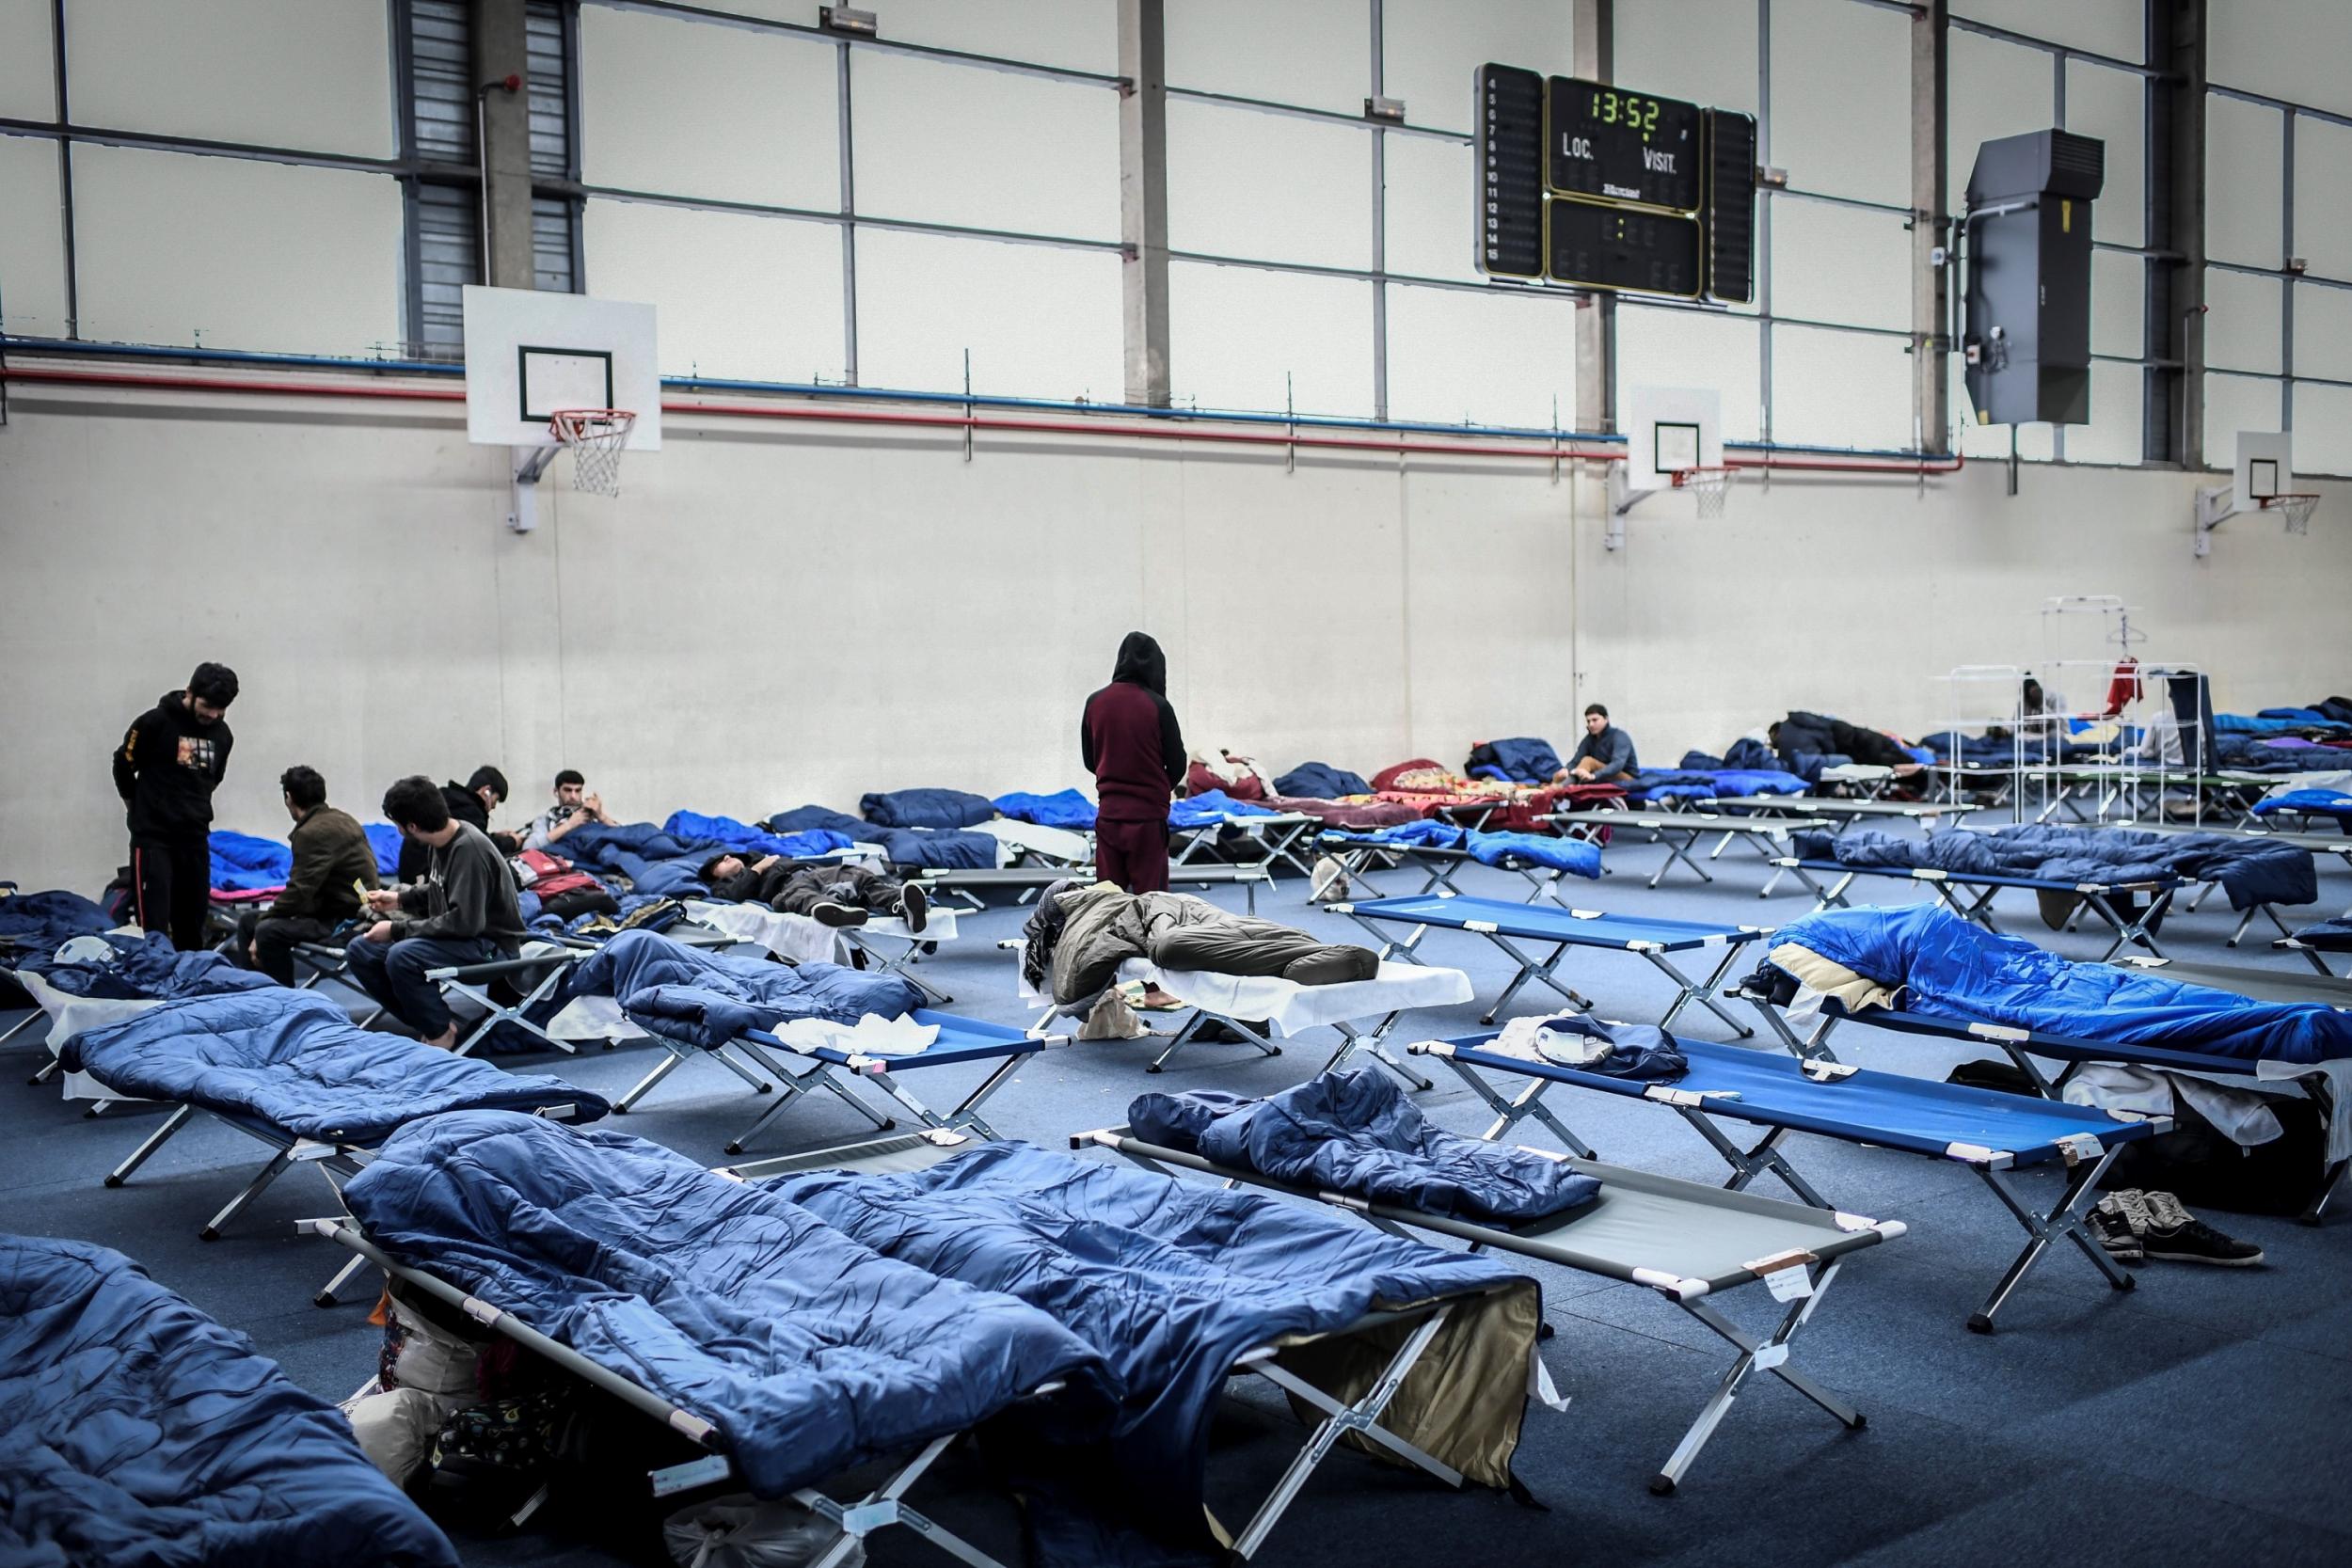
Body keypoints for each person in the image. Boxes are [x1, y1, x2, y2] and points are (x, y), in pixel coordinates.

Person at [349, 775, 529, 1049]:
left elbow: (464, 923)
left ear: (412, 826)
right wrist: (398, 899)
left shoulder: (469, 849)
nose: (398, 831)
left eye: (398, 825)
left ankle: (439, 1033)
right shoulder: (441, 842)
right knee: (360, 950)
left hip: (491, 946)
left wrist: (396, 930)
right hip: (463, 937)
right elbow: (438, 890)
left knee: (402, 955)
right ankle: (434, 1023)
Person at [1082, 632, 1187, 1010]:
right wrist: (1155, 786)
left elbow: (1089, 759)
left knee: (1107, 902)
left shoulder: (1095, 702)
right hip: (1146, 819)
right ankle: (1154, 989)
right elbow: (1177, 763)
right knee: (1152, 904)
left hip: (1109, 815)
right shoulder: (1158, 705)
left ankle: (1101, 988)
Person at [111, 662, 239, 951]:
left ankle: (191, 986)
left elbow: (212, 779)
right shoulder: (154, 723)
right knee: (155, 928)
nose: (213, 715)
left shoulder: (222, 735)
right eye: (207, 706)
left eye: (221, 709)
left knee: (192, 926)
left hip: (194, 837)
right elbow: (122, 765)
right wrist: (135, 805)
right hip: (154, 837)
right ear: (190, 692)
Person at [231, 766, 379, 984]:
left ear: (289, 798)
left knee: (266, 930)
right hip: (355, 908)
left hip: (342, 922)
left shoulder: (311, 833)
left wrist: (266, 920)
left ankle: (283, 1002)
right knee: (248, 922)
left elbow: (299, 893)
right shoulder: (343, 819)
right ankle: (260, 994)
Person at [700, 852, 928, 932]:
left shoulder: (760, 855)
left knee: (859, 876)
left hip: (818, 873)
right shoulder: (722, 887)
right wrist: (760, 868)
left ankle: (901, 903)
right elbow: (734, 896)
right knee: (799, 895)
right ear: (714, 876)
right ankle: (835, 911)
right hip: (788, 886)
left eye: (728, 855)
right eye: (720, 862)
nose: (727, 857)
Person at [395, 766, 509, 881]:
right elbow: (483, 850)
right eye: (496, 800)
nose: (494, 806)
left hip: (413, 873)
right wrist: (513, 841)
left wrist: (495, 836)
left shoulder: (452, 799)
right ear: (486, 791)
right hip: (424, 878)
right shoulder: (470, 810)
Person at [522, 768, 617, 850]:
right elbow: (529, 847)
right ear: (556, 792)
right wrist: (569, 825)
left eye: (578, 790)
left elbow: (625, 837)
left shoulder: (591, 814)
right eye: (568, 790)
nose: (573, 796)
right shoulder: (546, 819)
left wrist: (601, 816)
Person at [1560, 703, 1639, 784]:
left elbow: (1617, 764)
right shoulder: (1589, 739)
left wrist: (1594, 776)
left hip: (1628, 779)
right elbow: (1576, 760)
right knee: (1562, 773)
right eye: (1588, 721)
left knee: (1588, 761)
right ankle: (1556, 788)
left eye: (1595, 720)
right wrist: (1566, 770)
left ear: (1606, 719)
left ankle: (1562, 789)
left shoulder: (1620, 736)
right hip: (1602, 776)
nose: (1591, 724)